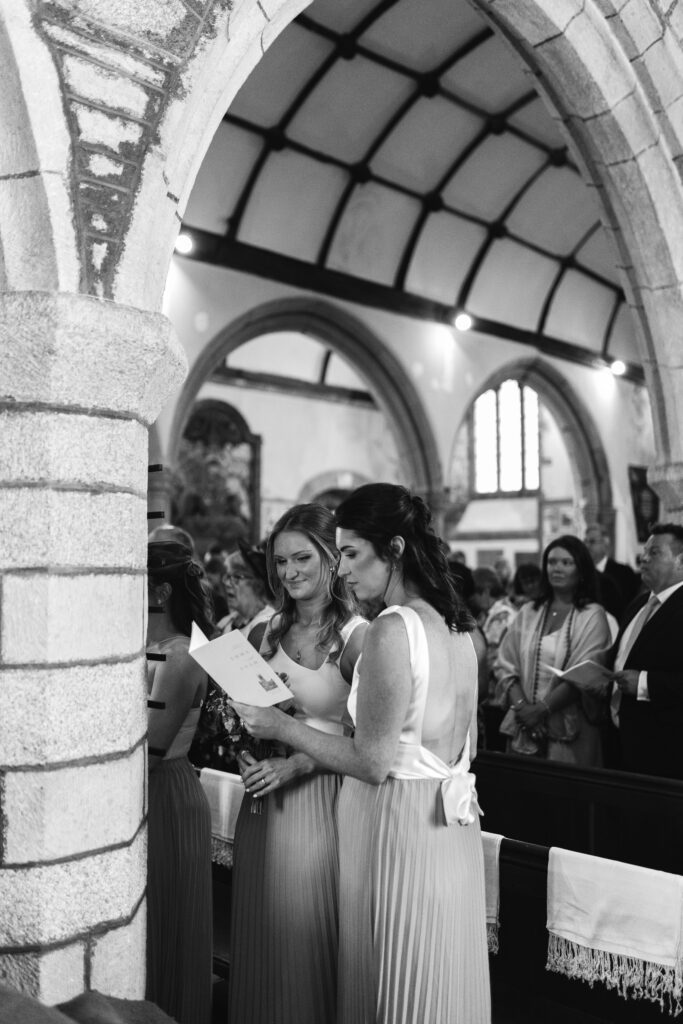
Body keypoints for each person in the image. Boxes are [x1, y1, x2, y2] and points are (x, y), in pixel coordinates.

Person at [235, 484, 491, 1024]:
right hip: (448, 824)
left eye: (350, 554)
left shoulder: (392, 629)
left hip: (396, 825)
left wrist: (282, 725)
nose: (343, 569)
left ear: (394, 549)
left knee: (389, 984)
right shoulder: (461, 630)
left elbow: (372, 762)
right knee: (437, 980)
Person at [228, 504, 367, 1024]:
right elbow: (240, 703)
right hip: (262, 794)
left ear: (332, 558)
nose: (290, 573)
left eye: (303, 558)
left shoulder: (358, 637)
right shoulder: (266, 627)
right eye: (281, 562)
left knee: (300, 935)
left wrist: (296, 763)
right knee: (261, 929)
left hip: (319, 797)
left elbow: (365, 739)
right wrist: (246, 743)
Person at [146, 541, 213, 1024]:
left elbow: (148, 750)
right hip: (150, 790)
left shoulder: (184, 654)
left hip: (165, 790)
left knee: (166, 924)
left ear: (162, 591)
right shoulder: (146, 645)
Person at [496, 534, 611, 766]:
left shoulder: (591, 615)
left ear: (581, 570)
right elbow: (506, 664)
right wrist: (523, 710)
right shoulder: (530, 611)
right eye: (551, 562)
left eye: (566, 563)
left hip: (570, 732)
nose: (556, 568)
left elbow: (584, 674)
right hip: (524, 725)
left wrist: (541, 710)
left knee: (566, 798)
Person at [609, 523, 683, 778]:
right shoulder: (640, 602)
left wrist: (644, 683)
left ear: (680, 562)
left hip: (663, 748)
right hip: (620, 738)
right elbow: (626, 655)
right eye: (645, 551)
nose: (644, 558)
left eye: (655, 553)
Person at [218, 540, 276, 641]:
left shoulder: (267, 625)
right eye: (227, 576)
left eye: (236, 577)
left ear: (259, 584)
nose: (227, 583)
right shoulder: (227, 621)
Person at [584, 523, 641, 621]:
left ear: (605, 544)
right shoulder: (581, 573)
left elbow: (629, 607)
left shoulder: (624, 573)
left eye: (592, 542)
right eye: (585, 541)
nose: (587, 546)